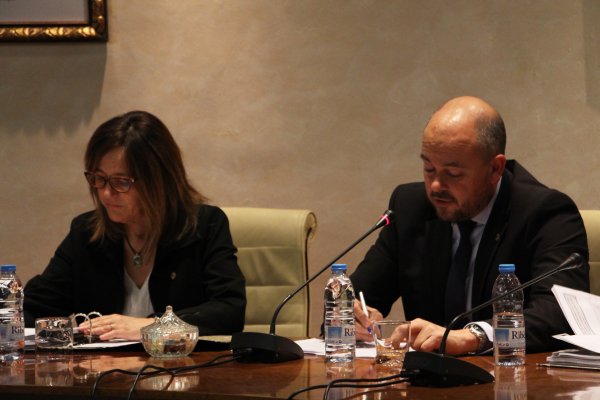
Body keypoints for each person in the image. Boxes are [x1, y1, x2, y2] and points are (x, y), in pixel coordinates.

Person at [351, 96, 590, 355]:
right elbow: (358, 295)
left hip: (510, 375)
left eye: (453, 174)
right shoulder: (410, 206)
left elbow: (558, 314)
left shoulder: (545, 212)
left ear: (495, 169)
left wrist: (473, 337)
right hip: (426, 376)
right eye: (429, 168)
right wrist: (352, 318)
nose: (435, 186)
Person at [24, 111, 246, 341]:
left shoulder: (204, 226)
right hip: (101, 364)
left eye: (121, 182)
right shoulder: (86, 232)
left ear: (159, 180)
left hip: (181, 362)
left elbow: (229, 310)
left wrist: (151, 326)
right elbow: (34, 307)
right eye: (99, 178)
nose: (106, 193)